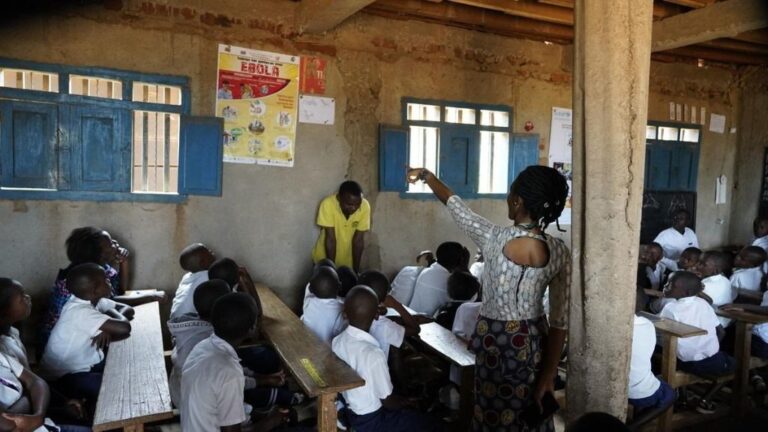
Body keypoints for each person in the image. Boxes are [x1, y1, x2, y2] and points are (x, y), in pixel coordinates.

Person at [407, 165, 570, 431]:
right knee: (532, 411)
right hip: (535, 343)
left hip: (497, 342)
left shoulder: (493, 238)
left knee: (492, 412)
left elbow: (455, 206)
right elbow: (560, 322)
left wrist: (427, 177)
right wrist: (549, 376)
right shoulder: (560, 252)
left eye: (509, 195)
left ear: (517, 201)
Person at [332, 286, 442, 431]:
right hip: (371, 421)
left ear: (345, 314)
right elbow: (388, 401)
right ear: (377, 315)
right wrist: (407, 402)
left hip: (351, 409)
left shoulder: (337, 341)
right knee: (430, 423)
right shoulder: (374, 354)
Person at [40, 227, 162, 350]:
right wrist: (148, 298)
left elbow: (118, 291)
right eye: (110, 244)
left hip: (90, 328)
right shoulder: (78, 281)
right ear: (100, 255)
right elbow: (113, 302)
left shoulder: (99, 269)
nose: (116, 243)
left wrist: (123, 262)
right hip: (66, 344)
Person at [180, 292, 287, 431]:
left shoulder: (202, 347)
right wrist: (271, 422)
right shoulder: (229, 371)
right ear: (252, 329)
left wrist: (265, 416)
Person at [40, 263, 132, 415]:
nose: (110, 282)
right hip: (62, 378)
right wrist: (106, 320)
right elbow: (124, 327)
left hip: (83, 366)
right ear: (94, 290)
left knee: (124, 367)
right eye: (106, 281)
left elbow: (128, 309)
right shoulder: (80, 311)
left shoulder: (92, 300)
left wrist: (106, 321)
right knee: (115, 388)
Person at [0, 278, 90, 429]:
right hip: (28, 416)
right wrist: (32, 401)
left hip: (35, 407)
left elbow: (34, 382)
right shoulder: (4, 347)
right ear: (5, 312)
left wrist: (62, 402)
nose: (28, 298)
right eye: (22, 297)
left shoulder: (11, 335)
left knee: (80, 413)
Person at [659, 271, 735, 414]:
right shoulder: (703, 304)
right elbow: (721, 332)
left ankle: (683, 396)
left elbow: (663, 334)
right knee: (735, 364)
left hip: (681, 360)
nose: (665, 286)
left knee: (676, 348)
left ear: (685, 292)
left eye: (670, 285)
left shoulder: (671, 308)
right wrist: (707, 348)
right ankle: (705, 400)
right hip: (708, 360)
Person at [168, 279, 232, 407]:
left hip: (178, 392)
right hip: (192, 404)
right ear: (221, 309)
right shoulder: (209, 340)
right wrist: (257, 380)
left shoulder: (189, 327)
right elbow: (228, 379)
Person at [627, 290, 675, 429]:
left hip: (599, 384)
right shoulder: (647, 325)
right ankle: (633, 426)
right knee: (669, 394)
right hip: (637, 392)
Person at [311, 181, 371, 272]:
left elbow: (358, 241)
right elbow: (330, 239)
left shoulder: (365, 206)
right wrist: (331, 270)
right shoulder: (328, 204)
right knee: (326, 283)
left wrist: (355, 270)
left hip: (347, 263)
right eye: (349, 204)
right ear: (339, 198)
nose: (354, 208)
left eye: (357, 205)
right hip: (325, 259)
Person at [358, 271, 420, 359]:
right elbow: (415, 329)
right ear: (385, 298)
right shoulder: (385, 326)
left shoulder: (351, 314)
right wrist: (396, 305)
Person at [408, 242, 467, 316]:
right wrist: (465, 266)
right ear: (460, 260)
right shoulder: (451, 281)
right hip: (428, 324)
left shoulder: (426, 272)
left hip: (410, 317)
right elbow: (471, 299)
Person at [170, 243, 216, 320]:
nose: (213, 253)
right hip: (191, 325)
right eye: (209, 252)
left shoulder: (186, 277)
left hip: (174, 323)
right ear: (202, 263)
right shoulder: (210, 276)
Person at [300, 267, 346, 344]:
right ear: (340, 286)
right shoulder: (340, 309)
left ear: (311, 289)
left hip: (306, 342)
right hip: (325, 351)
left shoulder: (308, 301)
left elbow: (309, 286)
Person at [697, 251, 736, 328]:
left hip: (713, 322)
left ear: (716, 270)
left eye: (703, 265)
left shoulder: (704, 285)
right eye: (698, 262)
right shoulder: (725, 280)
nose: (697, 266)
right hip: (726, 320)